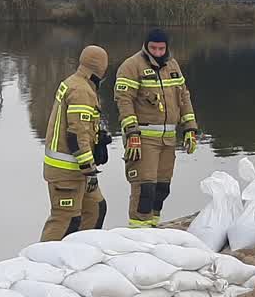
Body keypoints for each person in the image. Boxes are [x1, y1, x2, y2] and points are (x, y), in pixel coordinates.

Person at [116, 28, 198, 228]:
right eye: (154, 48)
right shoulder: (131, 66)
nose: (158, 53)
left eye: (162, 49)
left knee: (162, 188)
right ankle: (137, 231)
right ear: (146, 46)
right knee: (145, 189)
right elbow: (124, 101)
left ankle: (152, 227)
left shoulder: (172, 65)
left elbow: (183, 97)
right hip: (143, 138)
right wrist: (132, 133)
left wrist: (190, 128)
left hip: (168, 139)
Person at [40, 46, 110, 240]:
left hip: (77, 168)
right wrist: (90, 170)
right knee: (65, 219)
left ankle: (83, 253)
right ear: (101, 69)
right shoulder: (81, 90)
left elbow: (81, 127)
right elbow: (76, 136)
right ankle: (42, 264)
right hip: (66, 171)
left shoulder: (78, 83)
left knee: (96, 208)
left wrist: (98, 139)